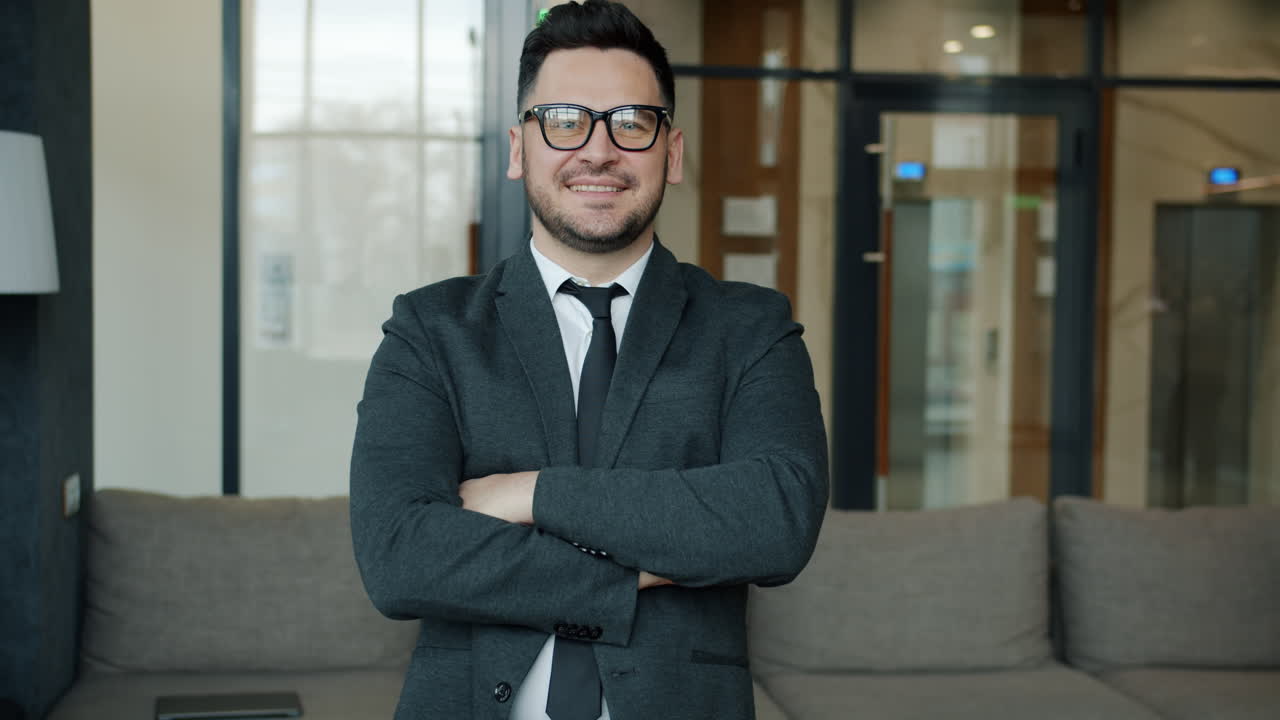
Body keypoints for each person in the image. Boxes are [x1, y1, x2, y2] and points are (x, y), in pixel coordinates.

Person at [349, 1, 828, 718]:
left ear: (672, 153)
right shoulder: (431, 330)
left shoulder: (749, 328)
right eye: (565, 120)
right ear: (519, 150)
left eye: (631, 123)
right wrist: (644, 564)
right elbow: (399, 556)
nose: (597, 150)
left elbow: (776, 520)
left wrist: (529, 494)